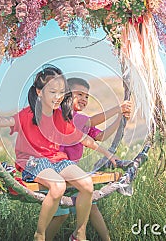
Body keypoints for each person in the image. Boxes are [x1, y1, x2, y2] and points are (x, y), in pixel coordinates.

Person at [0, 65, 119, 241]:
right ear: (40, 92)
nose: (58, 97)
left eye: (61, 92)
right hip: (33, 161)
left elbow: (80, 137)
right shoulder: (28, 114)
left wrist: (106, 153)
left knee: (87, 184)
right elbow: (6, 121)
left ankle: (80, 232)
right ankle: (39, 234)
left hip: (56, 160)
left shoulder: (61, 115)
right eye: (53, 92)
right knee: (58, 186)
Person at [45, 77, 132, 241]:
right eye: (79, 94)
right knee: (60, 216)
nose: (84, 99)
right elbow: (91, 121)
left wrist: (120, 119)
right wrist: (118, 109)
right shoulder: (64, 116)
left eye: (87, 96)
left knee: (91, 206)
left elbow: (101, 135)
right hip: (55, 171)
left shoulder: (80, 120)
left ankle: (104, 238)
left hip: (70, 172)